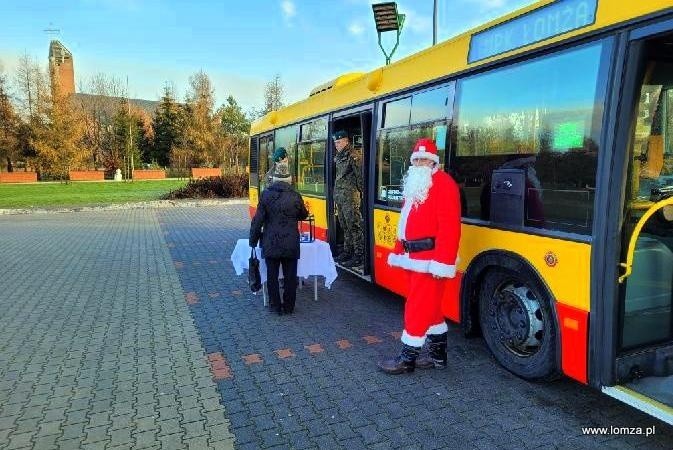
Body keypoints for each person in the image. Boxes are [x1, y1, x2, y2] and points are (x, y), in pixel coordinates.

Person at [378, 138, 461, 374]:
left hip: (431, 260)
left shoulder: (444, 183)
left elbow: (450, 226)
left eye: (425, 159)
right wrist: (398, 249)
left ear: (434, 161)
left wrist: (442, 262)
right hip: (412, 257)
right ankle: (438, 358)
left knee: (416, 307)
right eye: (417, 159)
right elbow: (404, 223)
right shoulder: (415, 184)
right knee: (430, 308)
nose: (421, 162)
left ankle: (407, 358)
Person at [249, 158, 309, 315]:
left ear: (274, 179)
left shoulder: (266, 195)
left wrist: (253, 240)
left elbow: (258, 221)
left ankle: (276, 306)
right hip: (290, 242)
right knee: (290, 277)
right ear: (289, 179)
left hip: (271, 242)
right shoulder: (296, 196)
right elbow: (303, 215)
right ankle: (289, 307)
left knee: (272, 275)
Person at [332, 130, 364, 268]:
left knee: (354, 226)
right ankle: (347, 251)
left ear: (346, 141)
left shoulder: (354, 156)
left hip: (350, 197)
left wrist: (361, 194)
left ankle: (358, 255)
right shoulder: (339, 156)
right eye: (335, 143)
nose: (336, 145)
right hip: (340, 197)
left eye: (338, 142)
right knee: (345, 226)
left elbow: (360, 178)